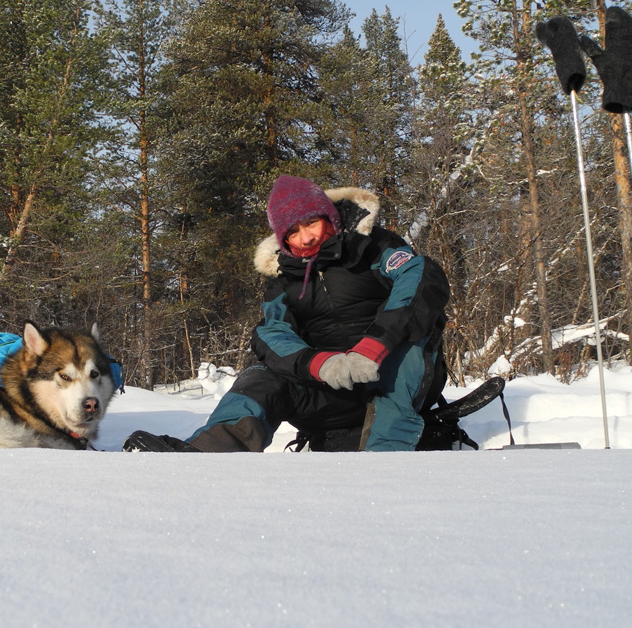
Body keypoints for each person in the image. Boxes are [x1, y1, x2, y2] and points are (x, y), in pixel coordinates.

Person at [125, 174, 451, 453]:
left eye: (311, 222)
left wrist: (374, 346)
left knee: (411, 346)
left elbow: (419, 278)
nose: (305, 237)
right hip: (333, 393)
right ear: (282, 238)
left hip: (398, 376)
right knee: (260, 376)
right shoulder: (283, 283)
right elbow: (272, 336)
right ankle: (206, 455)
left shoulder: (374, 247)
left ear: (330, 216)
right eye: (292, 231)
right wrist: (323, 363)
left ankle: (385, 462)